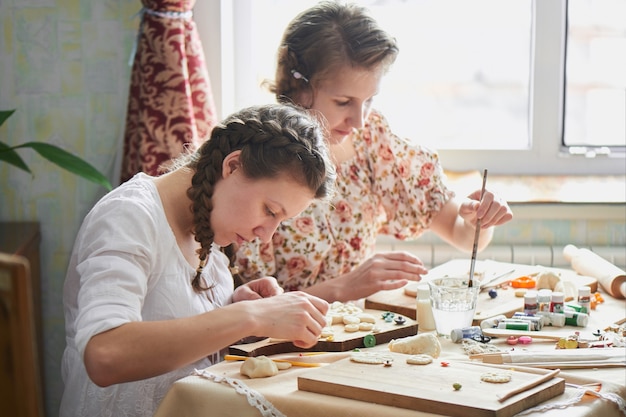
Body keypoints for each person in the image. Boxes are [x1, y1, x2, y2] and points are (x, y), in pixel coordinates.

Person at [59, 103, 336, 416]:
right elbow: (105, 355)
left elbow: (170, 318)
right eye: (270, 210)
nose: (266, 234)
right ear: (233, 166)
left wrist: (232, 306)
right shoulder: (128, 216)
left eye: (279, 221)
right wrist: (249, 315)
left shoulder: (209, 231)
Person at [235, 1, 514, 302]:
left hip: (353, 334)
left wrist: (478, 220)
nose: (359, 120)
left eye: (369, 101)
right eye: (343, 102)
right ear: (297, 85)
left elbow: (460, 234)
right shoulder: (259, 155)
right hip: (278, 343)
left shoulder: (373, 140)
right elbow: (247, 310)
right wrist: (344, 288)